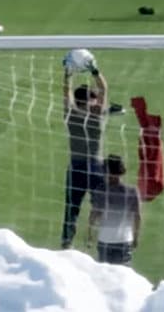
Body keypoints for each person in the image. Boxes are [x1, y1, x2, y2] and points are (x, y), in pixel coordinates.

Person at [60, 65, 109, 248]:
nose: (98, 102)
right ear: (89, 100)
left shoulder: (70, 114)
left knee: (71, 210)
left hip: (76, 167)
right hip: (96, 168)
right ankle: (101, 241)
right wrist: (95, 71)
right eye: (94, 99)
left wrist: (68, 75)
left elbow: (67, 93)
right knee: (102, 208)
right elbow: (104, 89)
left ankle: (66, 244)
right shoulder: (97, 117)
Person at [88, 154, 142, 266]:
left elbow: (94, 215)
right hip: (124, 239)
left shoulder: (101, 191)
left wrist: (90, 234)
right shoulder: (132, 192)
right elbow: (137, 216)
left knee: (104, 276)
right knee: (123, 276)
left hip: (105, 239)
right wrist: (136, 236)